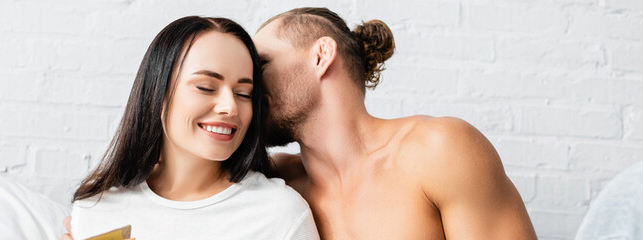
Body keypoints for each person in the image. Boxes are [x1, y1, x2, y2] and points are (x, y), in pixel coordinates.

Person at [252, 7, 537, 239]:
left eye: (261, 64)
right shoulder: (276, 182)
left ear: (320, 56)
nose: (248, 84)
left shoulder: (438, 150)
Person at [63, 16, 319, 240]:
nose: (230, 107)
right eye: (206, 87)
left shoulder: (278, 215)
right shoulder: (98, 208)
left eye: (244, 93)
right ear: (157, 94)